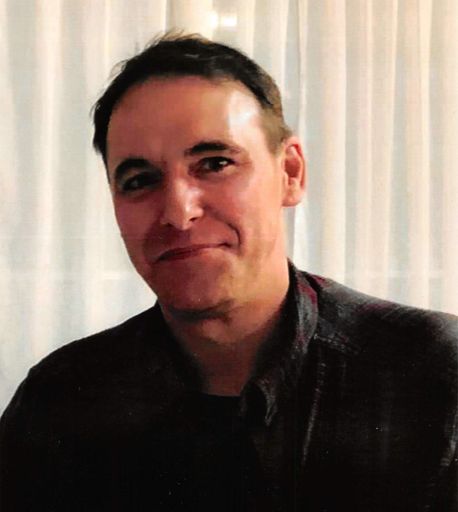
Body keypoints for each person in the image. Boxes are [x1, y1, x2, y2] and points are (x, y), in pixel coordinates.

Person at [1, 32, 457, 512]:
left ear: (290, 173)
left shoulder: (430, 376)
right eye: (139, 181)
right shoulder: (61, 402)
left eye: (215, 163)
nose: (178, 213)